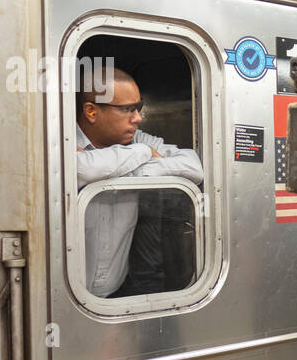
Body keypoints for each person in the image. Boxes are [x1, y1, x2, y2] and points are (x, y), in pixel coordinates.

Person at [75, 68, 203, 297]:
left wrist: (116, 168)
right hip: (64, 297)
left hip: (116, 293)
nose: (138, 118)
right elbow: (78, 169)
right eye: (127, 109)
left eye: (139, 107)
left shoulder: (136, 138)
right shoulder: (60, 137)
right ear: (91, 111)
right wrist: (143, 152)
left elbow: (193, 166)